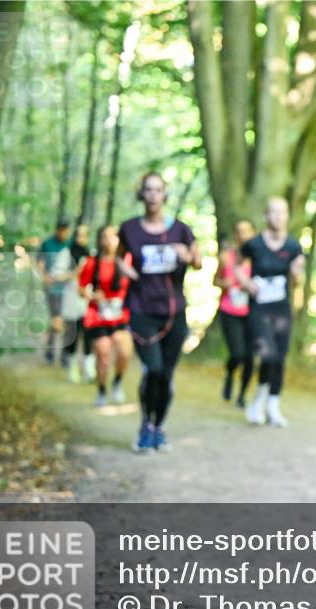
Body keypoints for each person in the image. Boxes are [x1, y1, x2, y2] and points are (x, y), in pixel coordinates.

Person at [117, 171, 202, 453]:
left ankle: (158, 427)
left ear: (165, 195)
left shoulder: (181, 229)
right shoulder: (129, 229)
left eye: (158, 190)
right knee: (152, 369)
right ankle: (144, 425)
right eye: (148, 190)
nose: (153, 195)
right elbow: (118, 256)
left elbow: (198, 261)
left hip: (174, 312)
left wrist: (186, 255)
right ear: (142, 195)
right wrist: (126, 270)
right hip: (142, 309)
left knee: (166, 374)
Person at [238, 198, 304, 427]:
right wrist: (245, 282)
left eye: (281, 212)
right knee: (268, 354)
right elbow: (237, 266)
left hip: (281, 307)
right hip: (259, 307)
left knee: (280, 358)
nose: (277, 217)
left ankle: (273, 406)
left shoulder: (294, 247)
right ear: (266, 216)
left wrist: (296, 273)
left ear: (287, 216)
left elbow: (297, 279)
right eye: (272, 213)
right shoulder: (253, 244)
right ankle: (258, 398)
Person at [79, 224, 133, 407]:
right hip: (98, 316)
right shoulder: (92, 263)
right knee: (103, 354)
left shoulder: (127, 260)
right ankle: (102, 390)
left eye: (113, 236)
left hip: (121, 315)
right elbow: (80, 288)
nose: (109, 240)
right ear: (100, 240)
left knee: (124, 351)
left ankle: (117, 381)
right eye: (105, 236)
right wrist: (93, 296)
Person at [214, 220, 257, 408]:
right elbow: (215, 280)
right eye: (239, 232)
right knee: (237, 354)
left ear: (253, 234)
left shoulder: (258, 259)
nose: (242, 235)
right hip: (230, 311)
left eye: (246, 231)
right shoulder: (226, 257)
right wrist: (226, 284)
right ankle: (230, 374)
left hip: (253, 313)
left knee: (250, 357)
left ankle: (242, 394)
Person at [36, 219, 73, 365]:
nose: (64, 233)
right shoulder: (47, 243)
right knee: (56, 318)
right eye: (61, 229)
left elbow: (80, 264)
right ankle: (51, 350)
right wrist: (45, 276)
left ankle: (64, 352)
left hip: (68, 289)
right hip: (52, 288)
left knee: (65, 320)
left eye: (66, 230)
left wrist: (68, 276)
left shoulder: (71, 244)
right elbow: (39, 261)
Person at [62, 223, 95, 383]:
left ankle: (89, 370)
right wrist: (76, 272)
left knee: (88, 334)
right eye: (78, 235)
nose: (81, 238)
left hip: (86, 299)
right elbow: (58, 276)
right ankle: (72, 369)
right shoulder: (66, 253)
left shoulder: (91, 255)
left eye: (84, 235)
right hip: (71, 297)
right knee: (73, 334)